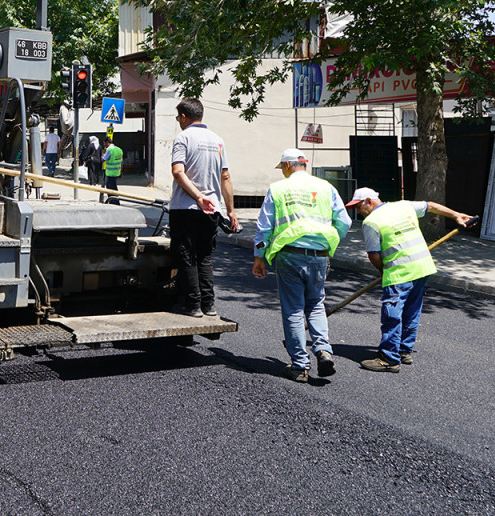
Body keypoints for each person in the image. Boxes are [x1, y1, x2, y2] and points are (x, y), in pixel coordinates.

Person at [346, 187, 474, 373]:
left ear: (368, 201)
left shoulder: (371, 222)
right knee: (412, 311)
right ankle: (404, 350)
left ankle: (389, 358)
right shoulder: (403, 206)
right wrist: (456, 215)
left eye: (358, 206)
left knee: (392, 315)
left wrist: (384, 272)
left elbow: (373, 255)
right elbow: (432, 206)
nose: (357, 211)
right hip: (422, 267)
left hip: (399, 272)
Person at [252, 148, 351, 382]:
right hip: (319, 255)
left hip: (290, 255)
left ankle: (299, 366)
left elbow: (264, 226)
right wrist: (326, 239)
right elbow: (344, 222)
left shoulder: (278, 189)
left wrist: (259, 257)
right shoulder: (327, 188)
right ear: (303, 164)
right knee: (316, 304)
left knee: (294, 309)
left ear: (287, 166)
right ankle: (323, 350)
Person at [167, 98, 239, 317]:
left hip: (186, 208)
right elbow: (225, 176)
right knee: (205, 256)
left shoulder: (183, 137)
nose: (179, 121)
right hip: (212, 210)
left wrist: (198, 197)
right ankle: (209, 305)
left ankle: (192, 304)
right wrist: (230, 210)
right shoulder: (217, 140)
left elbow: (178, 171)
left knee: (186, 255)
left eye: (178, 117)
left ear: (184, 117)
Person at [101, 133, 124, 202]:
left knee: (111, 188)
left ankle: (114, 201)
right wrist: (121, 172)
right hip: (117, 172)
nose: (104, 145)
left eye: (104, 143)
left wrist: (103, 153)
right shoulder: (119, 149)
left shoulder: (109, 150)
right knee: (112, 187)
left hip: (110, 173)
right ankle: (113, 200)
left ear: (107, 142)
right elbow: (121, 162)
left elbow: (103, 159)